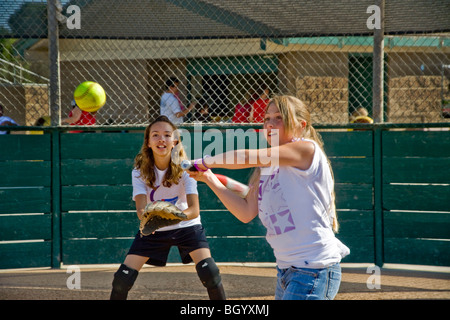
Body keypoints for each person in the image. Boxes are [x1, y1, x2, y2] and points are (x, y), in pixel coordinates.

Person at [187, 95, 350, 300]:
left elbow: (246, 156)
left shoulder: (307, 149)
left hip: (314, 269)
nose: (270, 124)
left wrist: (203, 162)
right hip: (285, 270)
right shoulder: (266, 165)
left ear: (301, 125)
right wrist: (209, 178)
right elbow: (246, 212)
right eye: (267, 118)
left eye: (279, 118)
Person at [110, 115, 226, 300]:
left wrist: (171, 215)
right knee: (121, 280)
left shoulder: (186, 169)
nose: (161, 139)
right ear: (148, 142)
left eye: (166, 135)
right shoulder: (139, 172)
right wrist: (156, 219)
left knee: (210, 273)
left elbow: (194, 210)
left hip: (187, 226)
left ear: (175, 142)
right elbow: (141, 211)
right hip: (154, 227)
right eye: (155, 135)